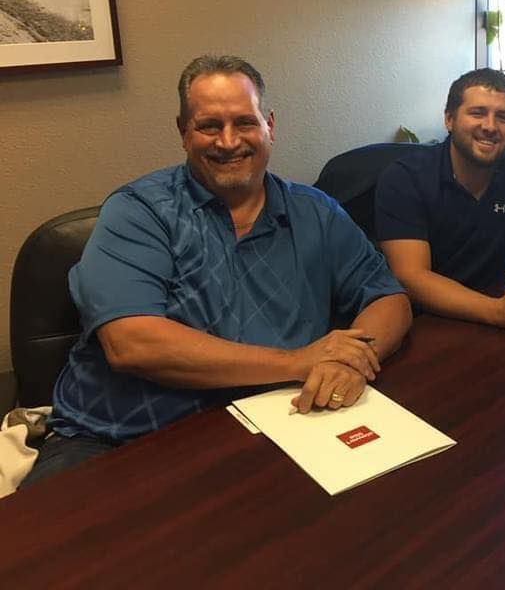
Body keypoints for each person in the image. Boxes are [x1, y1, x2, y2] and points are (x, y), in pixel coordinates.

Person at [25, 55, 411, 484]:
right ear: (183, 132)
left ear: (269, 125)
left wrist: (354, 360)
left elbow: (388, 297)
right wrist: (299, 362)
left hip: (271, 426)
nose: (229, 142)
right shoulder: (140, 212)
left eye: (244, 122)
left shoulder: (316, 212)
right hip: (118, 439)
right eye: (210, 126)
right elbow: (133, 344)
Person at [376, 68, 505, 332]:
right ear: (449, 119)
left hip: (496, 315)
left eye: (502, 117)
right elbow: (411, 276)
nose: (490, 127)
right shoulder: (406, 178)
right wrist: (496, 312)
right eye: (477, 113)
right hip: (422, 322)